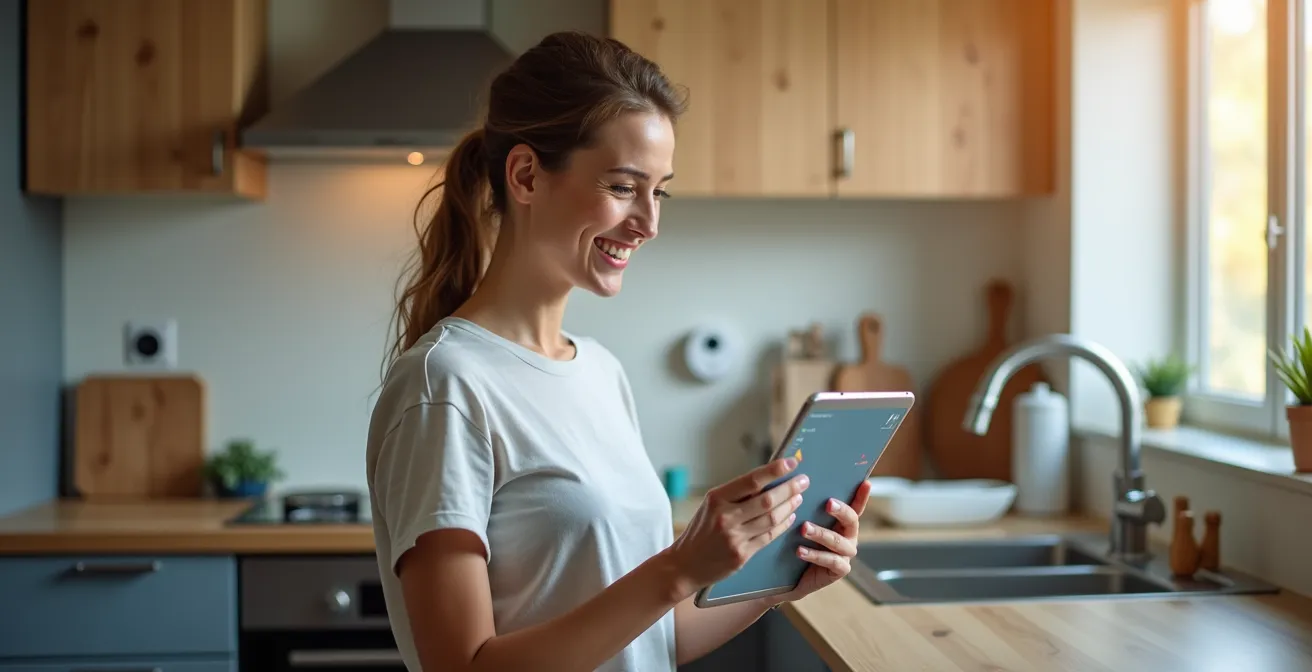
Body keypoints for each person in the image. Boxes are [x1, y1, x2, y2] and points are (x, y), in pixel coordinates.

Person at [365, 31, 873, 672]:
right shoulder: (446, 386)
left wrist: (781, 579)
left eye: (658, 191)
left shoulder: (599, 371)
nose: (649, 222)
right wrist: (680, 568)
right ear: (525, 175)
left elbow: (650, 642)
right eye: (623, 186)